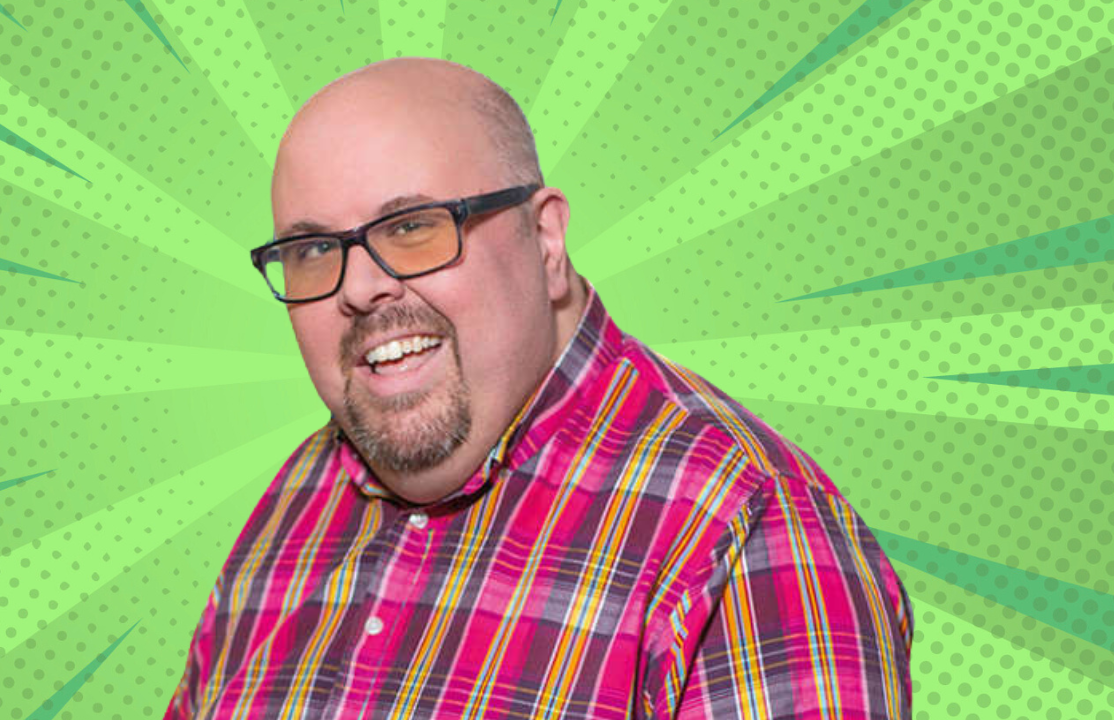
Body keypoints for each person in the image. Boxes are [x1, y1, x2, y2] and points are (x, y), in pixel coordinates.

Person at [164, 58, 913, 719]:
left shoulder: (749, 525)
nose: (359, 288)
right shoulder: (296, 498)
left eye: (414, 227)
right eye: (313, 250)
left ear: (546, 239)